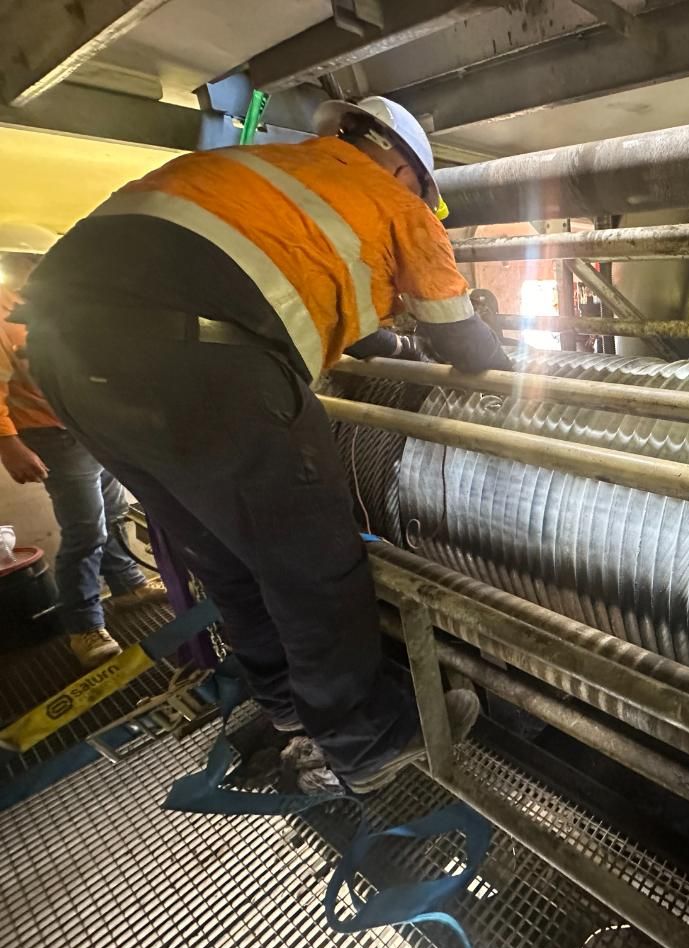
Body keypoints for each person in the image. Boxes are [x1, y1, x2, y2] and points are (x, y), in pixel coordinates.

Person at [21, 97, 508, 794]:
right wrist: (505, 364)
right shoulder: (393, 204)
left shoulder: (256, 172)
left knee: (225, 552)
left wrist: (392, 342)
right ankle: (363, 737)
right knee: (313, 558)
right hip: (199, 358)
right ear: (404, 170)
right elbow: (464, 343)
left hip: (66, 360)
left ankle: (289, 713)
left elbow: (322, 297)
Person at [0, 223, 165, 668]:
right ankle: (84, 626)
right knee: (85, 530)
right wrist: (8, 443)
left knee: (111, 509)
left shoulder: (63, 302)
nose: (37, 267)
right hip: (52, 434)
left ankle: (127, 584)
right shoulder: (3, 313)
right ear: (14, 261)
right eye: (29, 259)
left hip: (91, 426)